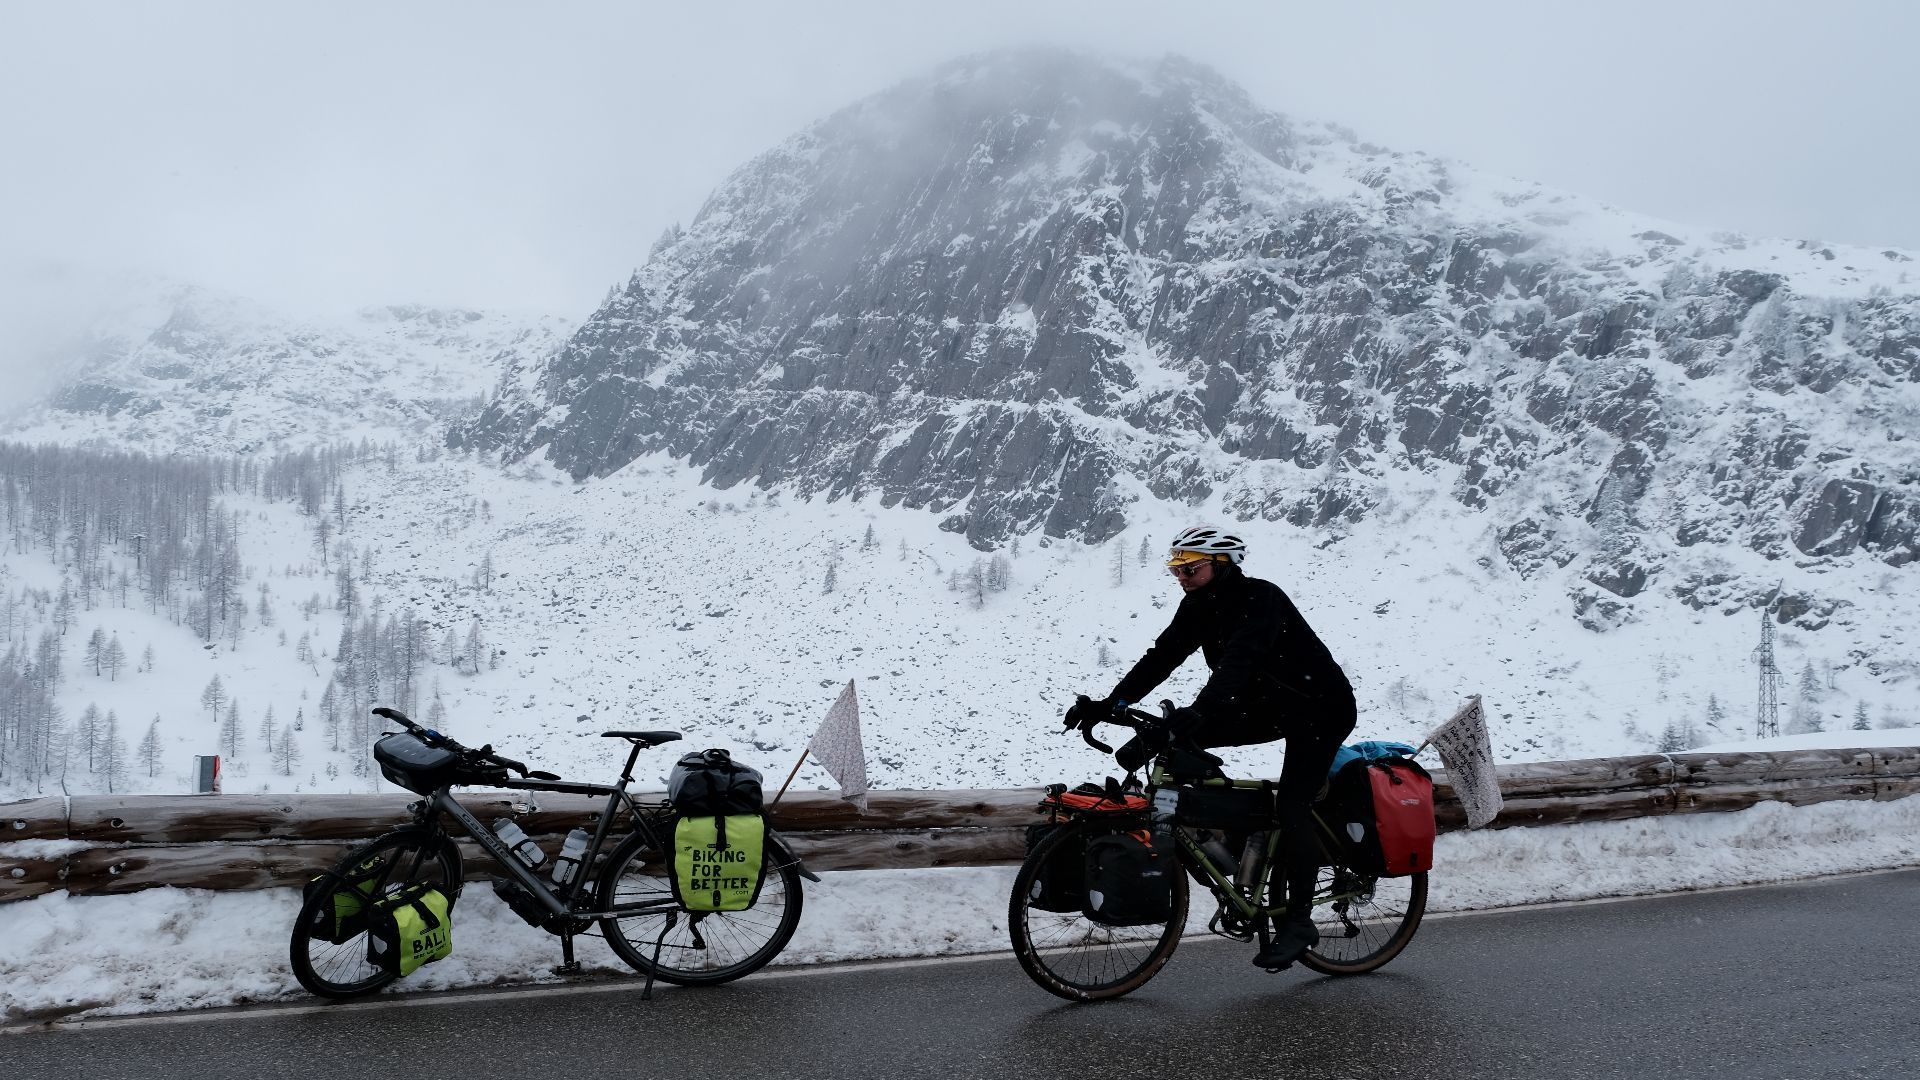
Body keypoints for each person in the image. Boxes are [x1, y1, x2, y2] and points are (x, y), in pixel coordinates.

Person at [1065, 524, 1357, 971]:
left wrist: (1201, 710)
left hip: (1319, 709)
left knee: (1292, 806)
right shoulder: (1197, 605)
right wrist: (1112, 703)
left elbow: (1241, 661)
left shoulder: (1261, 598)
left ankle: (1299, 922)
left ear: (1222, 564)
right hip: (1266, 707)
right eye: (1175, 569)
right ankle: (1235, 849)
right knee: (1154, 741)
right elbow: (1161, 657)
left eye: (1190, 568)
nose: (1181, 577)